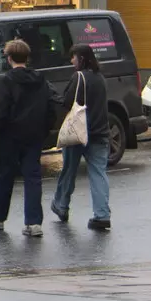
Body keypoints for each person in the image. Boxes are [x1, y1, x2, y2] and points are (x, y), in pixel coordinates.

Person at [0, 39, 52, 237]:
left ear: (9, 58)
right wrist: (45, 129)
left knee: (6, 175)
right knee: (33, 176)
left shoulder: (7, 81)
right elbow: (49, 107)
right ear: (27, 57)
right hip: (34, 134)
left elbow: (0, 110)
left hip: (10, 135)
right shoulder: (40, 80)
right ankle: (33, 223)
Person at [52, 44, 112, 232]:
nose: (71, 61)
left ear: (82, 59)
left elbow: (67, 102)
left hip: (79, 134)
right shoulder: (100, 78)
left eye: (74, 57)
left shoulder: (78, 77)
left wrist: (51, 94)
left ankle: (61, 206)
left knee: (69, 171)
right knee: (98, 174)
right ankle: (102, 215)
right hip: (101, 133)